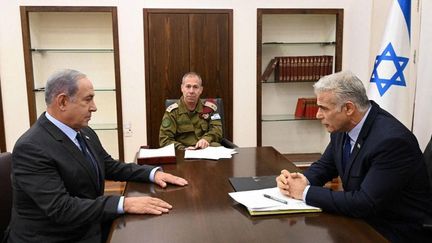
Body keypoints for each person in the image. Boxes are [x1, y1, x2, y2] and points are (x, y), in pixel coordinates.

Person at [6, 69, 188, 243]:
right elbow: (61, 208)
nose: (94, 107)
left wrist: (152, 173)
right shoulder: (31, 148)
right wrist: (124, 203)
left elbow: (110, 166)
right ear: (62, 102)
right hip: (58, 237)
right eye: (88, 99)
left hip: (88, 224)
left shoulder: (84, 132)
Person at [276, 70, 432, 242]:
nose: (317, 115)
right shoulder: (343, 127)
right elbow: (326, 166)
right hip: (362, 221)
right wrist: (299, 180)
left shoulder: (392, 141)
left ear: (348, 108)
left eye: (323, 108)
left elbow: (364, 202)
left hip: (393, 231)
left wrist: (304, 192)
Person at [159, 72, 222, 150]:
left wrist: (206, 139)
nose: (191, 91)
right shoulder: (172, 112)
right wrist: (183, 149)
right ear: (182, 88)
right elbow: (165, 140)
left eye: (195, 87)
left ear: (201, 90)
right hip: (183, 154)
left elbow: (217, 130)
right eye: (188, 86)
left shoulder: (210, 109)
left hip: (207, 151)